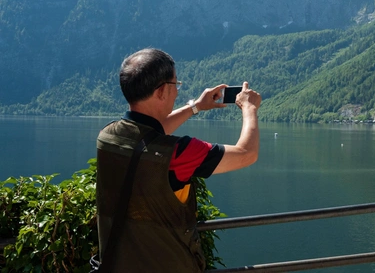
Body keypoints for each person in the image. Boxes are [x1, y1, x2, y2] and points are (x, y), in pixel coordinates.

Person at [95, 48, 261, 272]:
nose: (177, 92)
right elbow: (246, 154)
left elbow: (148, 134)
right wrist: (249, 108)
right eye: (176, 85)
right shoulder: (179, 154)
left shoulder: (107, 137)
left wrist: (196, 107)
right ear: (162, 91)